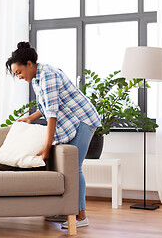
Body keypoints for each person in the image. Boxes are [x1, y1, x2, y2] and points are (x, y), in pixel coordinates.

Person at [6, 41, 101, 228]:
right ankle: (64, 209)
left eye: (19, 72)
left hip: (83, 120)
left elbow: (52, 114)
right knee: (65, 167)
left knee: (74, 167)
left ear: (29, 64)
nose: (19, 77)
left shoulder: (48, 75)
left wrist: (47, 147)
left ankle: (81, 216)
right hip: (72, 121)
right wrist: (30, 118)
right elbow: (45, 107)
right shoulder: (36, 79)